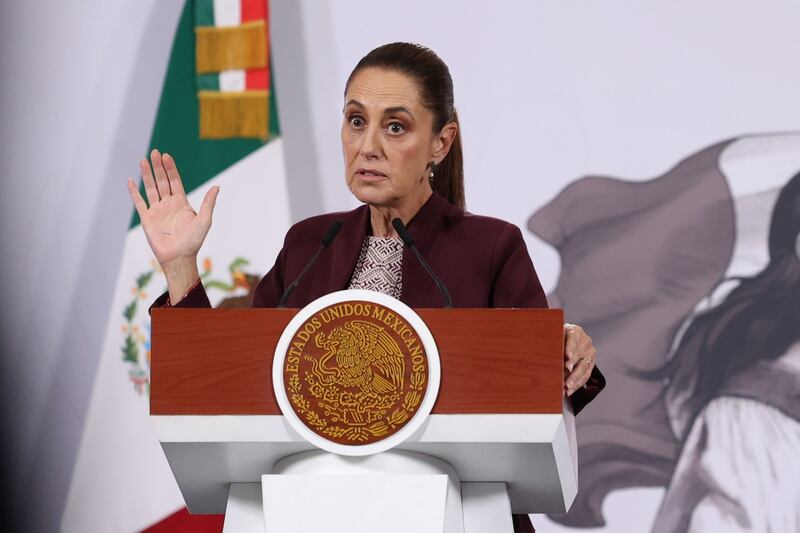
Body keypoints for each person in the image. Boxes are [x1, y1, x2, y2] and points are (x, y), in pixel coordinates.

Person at [127, 42, 605, 532]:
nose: (368, 146)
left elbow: (542, 386)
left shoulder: (490, 247)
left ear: (441, 142)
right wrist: (181, 265)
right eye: (356, 121)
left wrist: (566, 352)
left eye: (395, 126)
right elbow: (223, 386)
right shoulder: (310, 243)